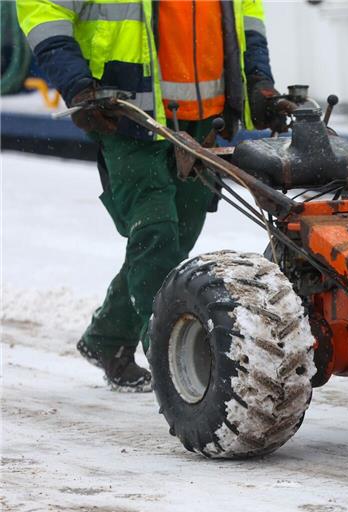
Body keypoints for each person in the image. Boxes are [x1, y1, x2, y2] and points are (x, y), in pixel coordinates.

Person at [17, 0, 295, 391]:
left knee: (174, 236)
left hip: (203, 119)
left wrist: (259, 83)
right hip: (127, 111)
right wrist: (76, 83)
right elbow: (42, 11)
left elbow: (247, 20)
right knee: (157, 232)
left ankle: (107, 339)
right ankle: (173, 367)